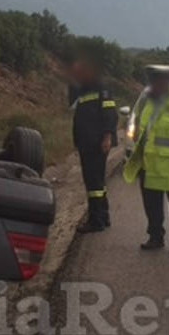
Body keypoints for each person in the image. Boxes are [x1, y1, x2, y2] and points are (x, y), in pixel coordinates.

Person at [123, 65, 169, 254]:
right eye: (152, 81)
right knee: (152, 207)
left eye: (157, 81)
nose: (153, 85)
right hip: (150, 166)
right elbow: (142, 130)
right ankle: (155, 237)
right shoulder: (148, 102)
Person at [69, 56, 118, 233]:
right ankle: (103, 216)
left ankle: (96, 221)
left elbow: (110, 114)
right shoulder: (82, 90)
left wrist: (107, 137)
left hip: (97, 143)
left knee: (94, 184)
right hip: (86, 142)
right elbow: (76, 113)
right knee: (97, 182)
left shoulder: (101, 87)